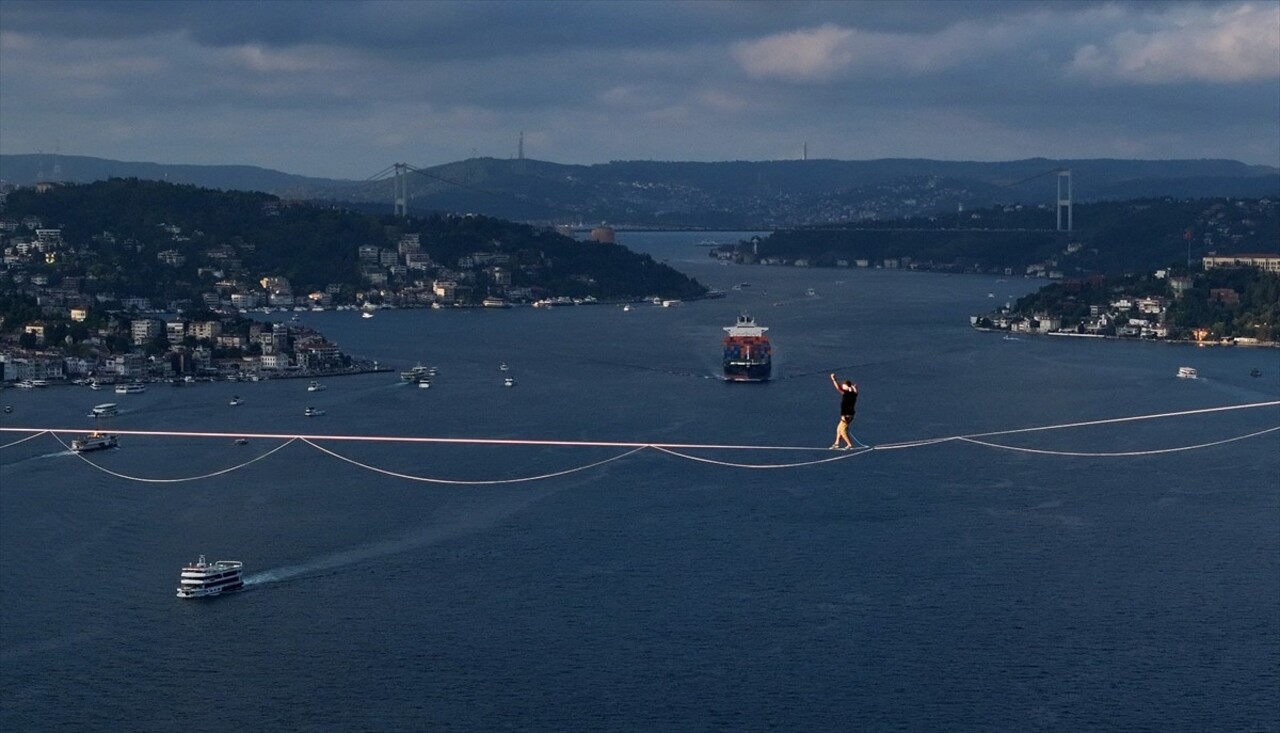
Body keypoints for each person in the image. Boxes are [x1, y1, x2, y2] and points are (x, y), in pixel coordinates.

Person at [829, 373, 858, 449]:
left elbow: (838, 388)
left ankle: (849, 444)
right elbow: (855, 390)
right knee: (839, 428)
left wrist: (834, 379)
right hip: (849, 414)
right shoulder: (853, 394)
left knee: (842, 430)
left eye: (843, 385)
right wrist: (853, 387)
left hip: (846, 415)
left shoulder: (847, 394)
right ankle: (837, 443)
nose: (842, 386)